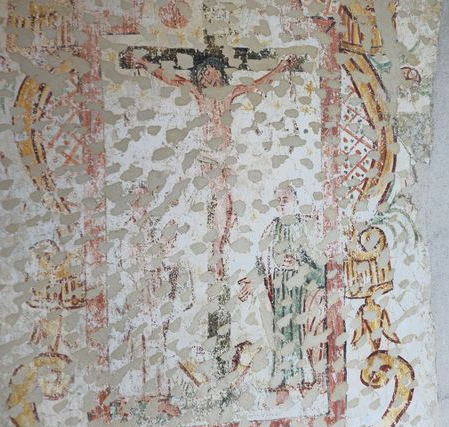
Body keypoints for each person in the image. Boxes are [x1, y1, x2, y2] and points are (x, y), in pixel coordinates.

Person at [120, 43, 300, 377]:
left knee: (224, 214)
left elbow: (256, 84)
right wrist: (142, 62)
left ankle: (219, 252)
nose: (210, 77)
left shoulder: (229, 94)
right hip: (208, 160)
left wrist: (281, 68)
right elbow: (169, 77)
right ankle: (215, 254)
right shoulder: (198, 94)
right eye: (204, 74)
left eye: (214, 73)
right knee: (215, 213)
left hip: (224, 162)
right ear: (200, 77)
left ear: (221, 75)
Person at [239, 185, 326, 405]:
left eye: (285, 199)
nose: (280, 204)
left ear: (295, 201)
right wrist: (252, 279)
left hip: (302, 294)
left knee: (299, 337)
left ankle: (306, 384)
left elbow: (321, 269)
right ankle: (283, 385)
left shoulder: (305, 227)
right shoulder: (271, 229)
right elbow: (261, 264)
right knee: (281, 338)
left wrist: (298, 266)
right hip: (279, 294)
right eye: (277, 200)